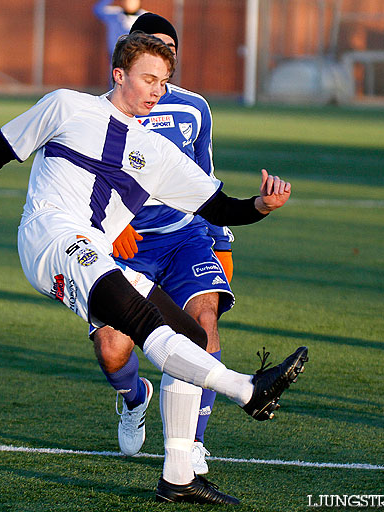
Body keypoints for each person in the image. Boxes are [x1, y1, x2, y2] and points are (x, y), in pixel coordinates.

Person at [0, 32, 308, 505]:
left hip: (94, 253)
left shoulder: (158, 155)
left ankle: (179, 475)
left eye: (163, 83)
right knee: (145, 326)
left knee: (192, 340)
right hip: (50, 238)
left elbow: (220, 206)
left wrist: (262, 205)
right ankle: (247, 390)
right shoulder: (66, 106)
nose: (155, 91)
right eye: (147, 79)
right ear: (119, 74)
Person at [94, 13, 233, 476]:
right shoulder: (98, 114)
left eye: (169, 53)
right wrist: (108, 227)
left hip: (182, 238)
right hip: (122, 248)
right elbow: (84, 181)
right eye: (152, 49)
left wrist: (221, 241)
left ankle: (191, 442)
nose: (162, 59)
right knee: (113, 348)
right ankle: (134, 398)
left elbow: (205, 180)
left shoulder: (194, 109)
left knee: (203, 323)